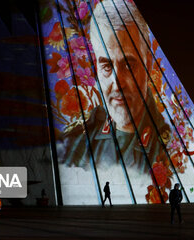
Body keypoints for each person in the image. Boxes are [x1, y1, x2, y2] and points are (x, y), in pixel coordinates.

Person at [61, 0, 170, 173]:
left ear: (148, 65)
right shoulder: (76, 144)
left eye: (128, 65)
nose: (117, 83)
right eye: (106, 66)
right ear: (95, 68)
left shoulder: (171, 148)